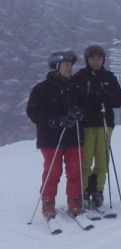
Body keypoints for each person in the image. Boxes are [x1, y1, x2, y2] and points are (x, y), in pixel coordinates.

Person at [26, 51, 86, 218]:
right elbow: (33, 112)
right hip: (51, 138)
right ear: (56, 67)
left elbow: (86, 107)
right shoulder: (41, 89)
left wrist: (79, 113)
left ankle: (74, 201)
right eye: (66, 65)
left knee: (75, 170)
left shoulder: (76, 87)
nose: (69, 68)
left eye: (70, 65)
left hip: (74, 136)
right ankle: (48, 202)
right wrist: (55, 121)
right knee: (53, 171)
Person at [71, 45, 121, 209]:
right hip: (86, 124)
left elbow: (118, 101)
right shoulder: (80, 77)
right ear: (87, 59)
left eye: (99, 58)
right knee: (85, 161)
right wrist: (88, 99)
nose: (96, 61)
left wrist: (104, 95)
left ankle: (98, 191)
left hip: (104, 124)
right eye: (93, 58)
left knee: (102, 160)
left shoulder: (109, 77)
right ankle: (84, 192)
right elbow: (73, 100)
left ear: (103, 60)